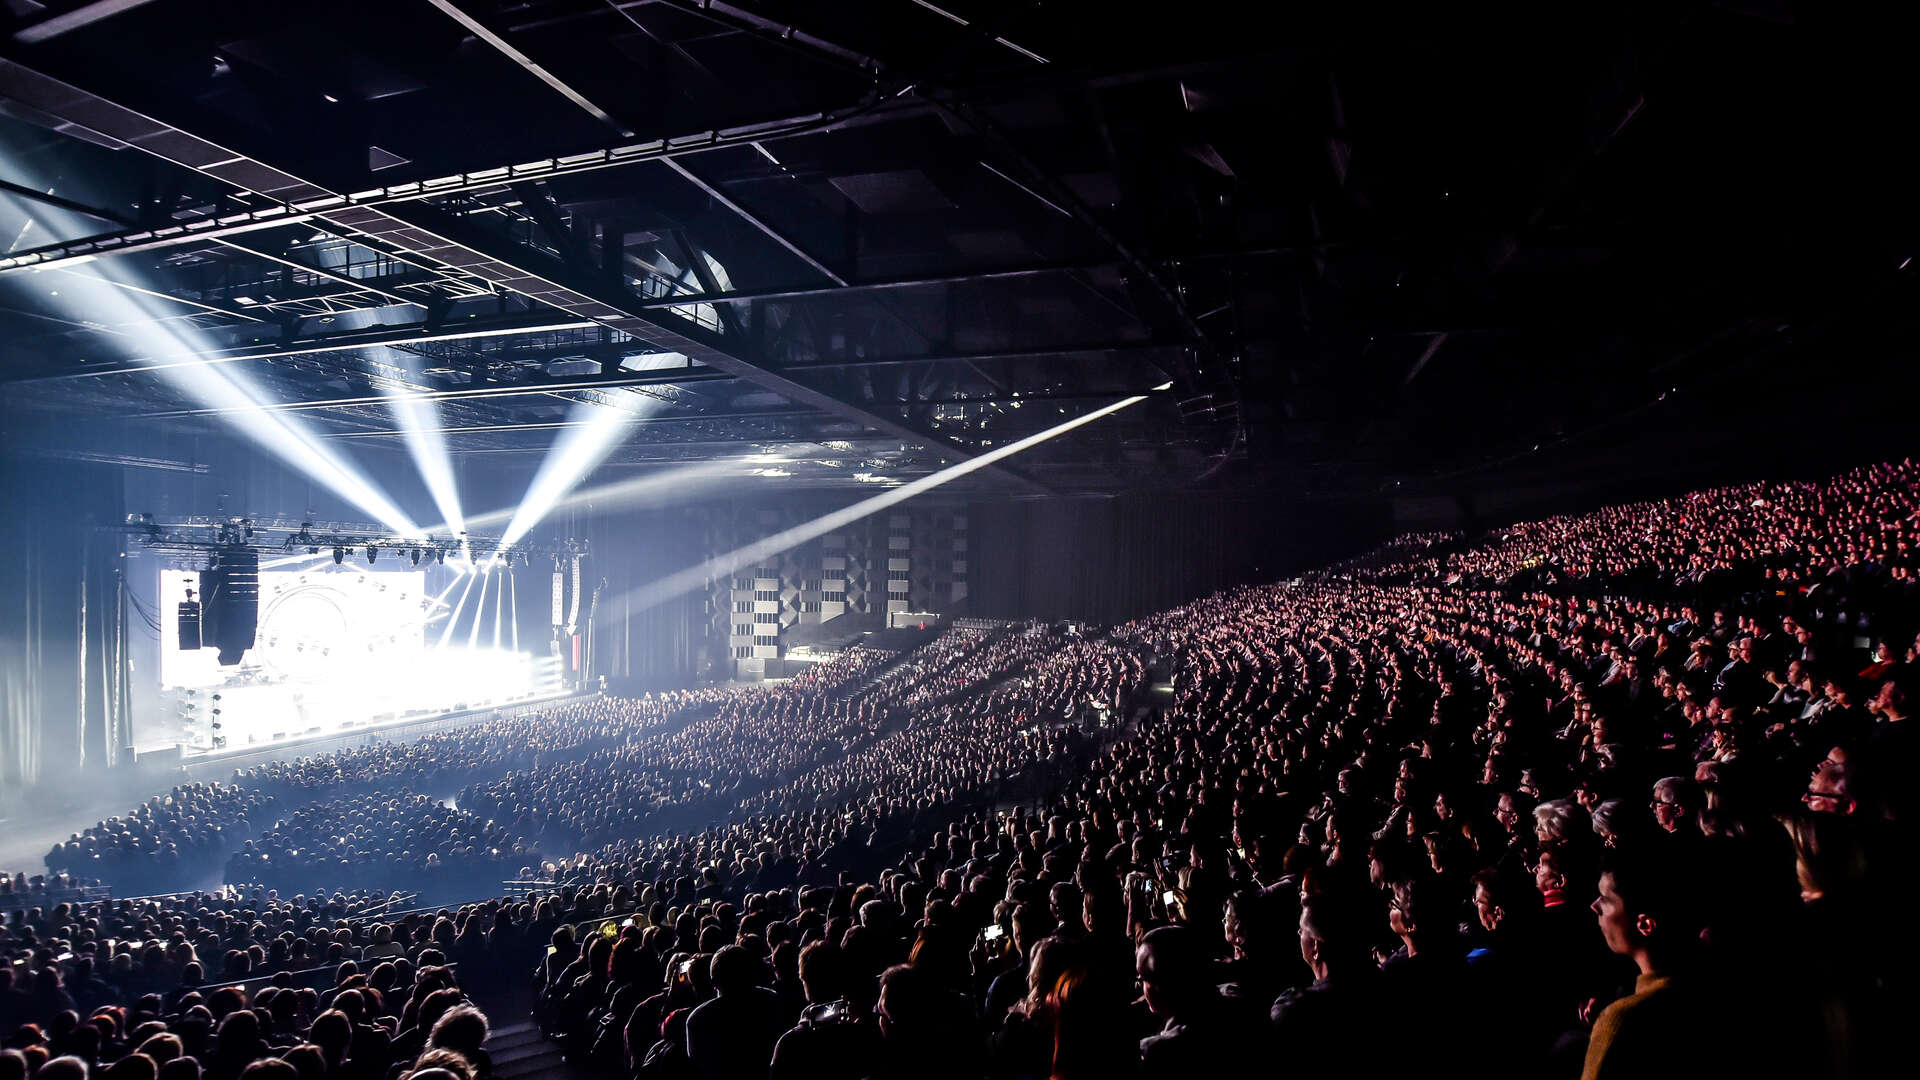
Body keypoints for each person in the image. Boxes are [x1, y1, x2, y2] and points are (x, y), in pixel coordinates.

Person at [684, 945, 782, 1080]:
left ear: (713, 982)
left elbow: (699, 1068)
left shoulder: (698, 1019)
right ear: (751, 973)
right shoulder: (773, 1001)